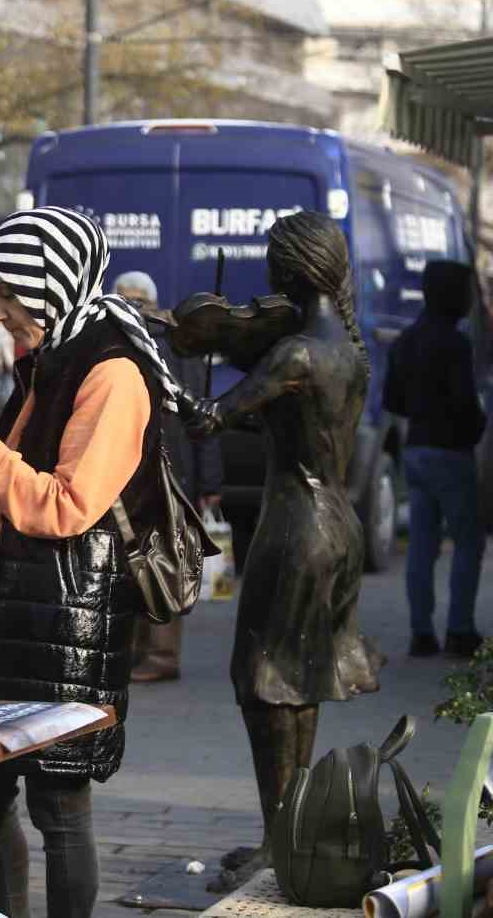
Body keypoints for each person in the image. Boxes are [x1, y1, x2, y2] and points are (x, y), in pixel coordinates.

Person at [0, 206, 185, 918]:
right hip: (11, 611)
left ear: (54, 284)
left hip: (69, 619)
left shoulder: (112, 371)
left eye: (9, 296)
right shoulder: (51, 360)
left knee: (57, 799)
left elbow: (65, 506)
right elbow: (2, 494)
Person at [181, 211, 382, 887]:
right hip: (339, 525)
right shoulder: (347, 350)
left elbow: (212, 418)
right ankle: (287, 834)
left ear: (290, 270)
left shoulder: (295, 352)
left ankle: (279, 840)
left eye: (272, 262)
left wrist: (173, 367)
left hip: (296, 526)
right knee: (300, 682)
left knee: (263, 681)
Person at [111, 270, 223, 684]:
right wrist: (210, 484)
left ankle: (153, 653)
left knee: (135, 561)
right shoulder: (183, 344)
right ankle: (156, 652)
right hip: (177, 473)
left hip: (135, 471)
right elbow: (203, 420)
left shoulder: (120, 340)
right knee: (163, 560)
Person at [383, 260, 487, 659]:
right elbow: (465, 404)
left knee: (422, 545)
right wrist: (476, 427)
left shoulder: (406, 340)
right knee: (466, 543)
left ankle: (421, 632)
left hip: (416, 450)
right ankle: (460, 629)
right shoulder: (455, 343)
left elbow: (392, 400)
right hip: (450, 453)